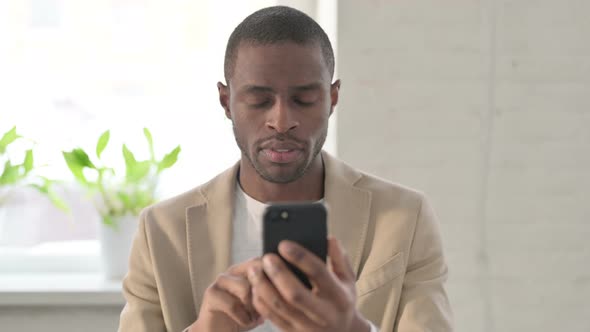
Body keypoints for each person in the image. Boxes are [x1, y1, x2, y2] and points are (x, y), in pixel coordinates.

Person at [118, 5, 453, 332]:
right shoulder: (162, 231)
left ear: (332, 99)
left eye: (304, 100)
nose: (281, 122)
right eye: (259, 100)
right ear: (226, 101)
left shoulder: (404, 218)